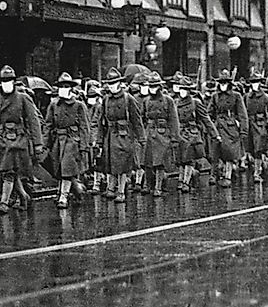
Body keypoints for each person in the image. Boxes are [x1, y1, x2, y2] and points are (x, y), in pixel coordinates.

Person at [0, 65, 43, 212]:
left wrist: (38, 144)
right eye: (4, 80)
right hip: (2, 139)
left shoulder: (23, 98)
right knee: (9, 171)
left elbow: (33, 121)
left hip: (18, 139)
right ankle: (23, 196)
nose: (7, 83)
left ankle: (4, 202)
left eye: (10, 80)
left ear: (14, 82)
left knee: (9, 171)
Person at [96, 68, 145, 203]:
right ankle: (111, 188)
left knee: (123, 164)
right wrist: (99, 140)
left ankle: (121, 191)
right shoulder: (106, 100)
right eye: (109, 84)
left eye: (113, 84)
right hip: (110, 135)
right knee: (110, 162)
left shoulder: (128, 99)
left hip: (124, 135)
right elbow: (102, 121)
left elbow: (137, 120)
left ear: (119, 83)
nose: (111, 87)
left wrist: (141, 139)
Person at [44, 72, 89, 208]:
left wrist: (84, 146)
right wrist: (45, 143)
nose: (63, 88)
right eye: (61, 86)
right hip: (58, 140)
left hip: (72, 140)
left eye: (66, 86)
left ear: (71, 88)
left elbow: (84, 126)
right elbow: (48, 124)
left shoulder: (79, 105)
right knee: (60, 169)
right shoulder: (54, 105)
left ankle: (63, 197)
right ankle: (77, 189)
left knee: (67, 167)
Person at [175, 76, 219, 192]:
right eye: (181, 89)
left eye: (185, 89)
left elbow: (206, 119)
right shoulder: (175, 103)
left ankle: (186, 182)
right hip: (180, 132)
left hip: (192, 133)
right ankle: (185, 178)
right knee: (181, 159)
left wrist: (215, 134)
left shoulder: (196, 102)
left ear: (189, 90)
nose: (183, 92)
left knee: (189, 158)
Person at [142, 72, 179, 197]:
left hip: (162, 133)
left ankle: (158, 187)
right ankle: (148, 185)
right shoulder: (146, 101)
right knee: (147, 162)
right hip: (149, 132)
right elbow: (142, 118)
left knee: (160, 162)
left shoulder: (168, 100)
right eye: (150, 86)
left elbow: (173, 120)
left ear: (160, 87)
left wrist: (174, 138)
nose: (152, 89)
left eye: (155, 86)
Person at [208, 69, 247, 188]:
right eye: (221, 83)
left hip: (231, 128)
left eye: (225, 83)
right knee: (215, 152)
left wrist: (243, 130)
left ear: (229, 84)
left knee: (229, 153)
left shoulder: (236, 96)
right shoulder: (215, 96)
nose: (223, 85)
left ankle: (227, 176)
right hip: (218, 127)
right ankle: (214, 174)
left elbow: (242, 114)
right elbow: (209, 112)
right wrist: (210, 124)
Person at [243, 74, 268, 184]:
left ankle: (257, 173)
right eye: (252, 82)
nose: (255, 85)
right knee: (250, 149)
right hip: (249, 125)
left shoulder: (266, 97)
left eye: (256, 82)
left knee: (258, 149)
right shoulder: (246, 97)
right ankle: (261, 164)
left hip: (261, 125)